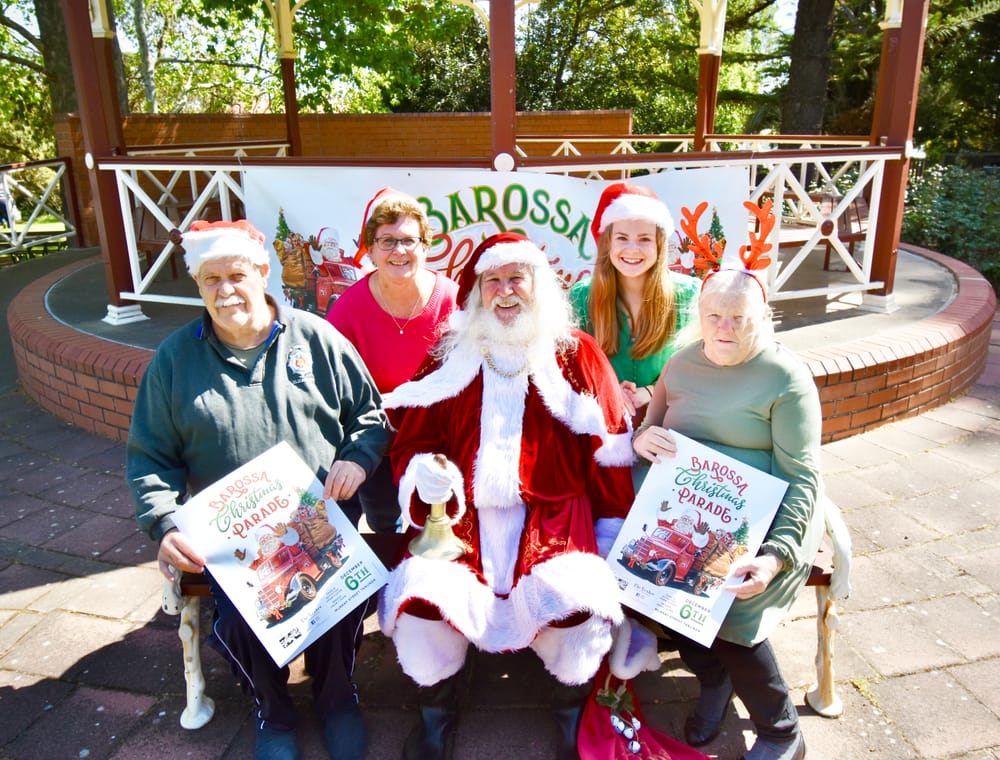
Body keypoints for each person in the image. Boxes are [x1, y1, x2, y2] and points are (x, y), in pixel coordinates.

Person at [127, 219, 389, 760]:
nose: (225, 291)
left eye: (237, 276)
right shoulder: (174, 361)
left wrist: (356, 461)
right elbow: (150, 459)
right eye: (210, 280)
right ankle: (272, 710)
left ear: (263, 272)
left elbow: (370, 416)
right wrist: (165, 523)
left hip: (317, 524)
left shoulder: (316, 338)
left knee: (339, 613)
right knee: (238, 623)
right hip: (234, 542)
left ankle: (338, 698)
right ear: (198, 285)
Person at [378, 232, 635, 760]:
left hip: (554, 516)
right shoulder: (451, 352)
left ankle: (571, 712)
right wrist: (425, 472)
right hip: (461, 522)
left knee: (577, 606)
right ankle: (437, 712)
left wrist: (612, 528)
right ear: (475, 292)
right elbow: (414, 438)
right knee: (424, 605)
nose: (505, 291)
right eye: (492, 280)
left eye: (517, 277)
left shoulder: (576, 353)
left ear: (540, 285)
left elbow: (609, 450)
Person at [632, 233, 823, 760]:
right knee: (659, 582)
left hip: (761, 522)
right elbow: (649, 430)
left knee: (733, 608)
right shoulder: (681, 363)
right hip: (687, 513)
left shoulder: (786, 378)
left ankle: (783, 731)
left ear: (763, 318)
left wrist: (775, 555)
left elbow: (803, 477)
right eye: (714, 316)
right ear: (700, 314)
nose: (725, 328)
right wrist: (640, 440)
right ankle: (712, 680)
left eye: (739, 318)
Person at [327, 188, 459, 533]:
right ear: (370, 249)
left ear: (425, 246)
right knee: (385, 526)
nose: (399, 251)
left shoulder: (453, 300)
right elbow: (337, 391)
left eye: (408, 241)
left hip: (441, 444)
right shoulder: (347, 310)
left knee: (441, 530)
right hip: (378, 444)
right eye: (386, 241)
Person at [570, 181, 699, 422]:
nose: (632, 249)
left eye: (644, 239)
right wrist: (608, 390)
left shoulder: (690, 294)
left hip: (672, 423)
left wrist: (649, 392)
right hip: (603, 423)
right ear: (608, 242)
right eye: (622, 238)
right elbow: (571, 371)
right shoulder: (582, 297)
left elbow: (702, 368)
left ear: (659, 244)